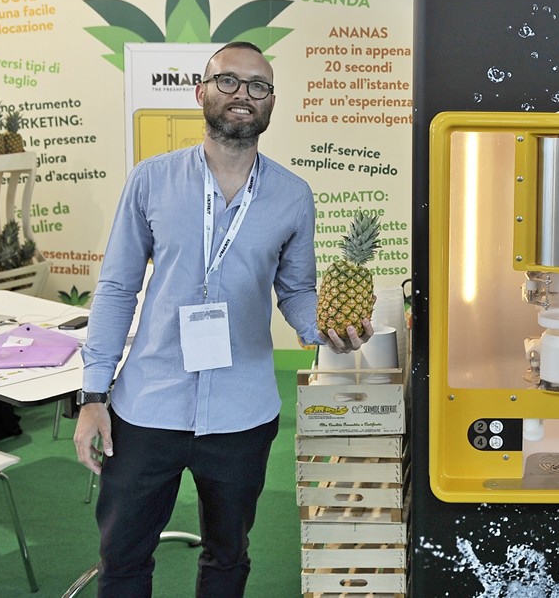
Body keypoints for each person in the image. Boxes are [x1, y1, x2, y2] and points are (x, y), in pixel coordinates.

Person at [73, 41, 371, 597]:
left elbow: (296, 290)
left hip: (242, 411)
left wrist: (324, 329)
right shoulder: (151, 180)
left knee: (228, 556)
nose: (242, 94)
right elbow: (117, 288)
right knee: (123, 557)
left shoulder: (293, 196)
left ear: (271, 101)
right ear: (201, 92)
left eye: (258, 86)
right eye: (228, 80)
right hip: (148, 405)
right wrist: (93, 396)